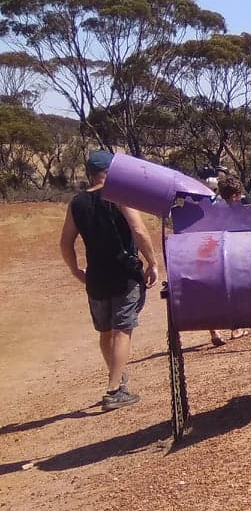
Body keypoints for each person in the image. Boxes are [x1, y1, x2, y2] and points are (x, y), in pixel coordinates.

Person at [59, 150, 160, 411]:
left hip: (96, 277)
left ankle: (117, 377)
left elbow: (65, 243)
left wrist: (75, 270)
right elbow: (138, 230)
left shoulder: (77, 202)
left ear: (91, 173)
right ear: (111, 171)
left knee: (105, 331)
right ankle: (114, 390)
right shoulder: (119, 195)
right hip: (124, 275)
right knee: (123, 329)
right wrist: (153, 262)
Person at [208, 176, 251, 347]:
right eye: (238, 196)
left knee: (212, 294)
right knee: (233, 291)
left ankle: (214, 331)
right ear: (233, 196)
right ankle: (236, 328)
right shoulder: (231, 210)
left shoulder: (212, 205)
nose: (240, 199)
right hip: (225, 256)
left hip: (208, 254)